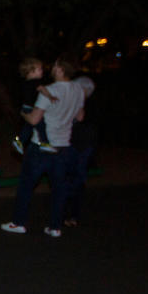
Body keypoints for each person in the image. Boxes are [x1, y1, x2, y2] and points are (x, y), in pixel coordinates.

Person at [0, 57, 86, 237]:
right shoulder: (79, 89)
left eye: (55, 66)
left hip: (41, 147)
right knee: (59, 188)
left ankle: (19, 222)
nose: (51, 68)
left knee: (25, 186)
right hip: (63, 146)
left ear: (61, 69)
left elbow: (34, 119)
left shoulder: (51, 90)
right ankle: (55, 227)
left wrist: (22, 112)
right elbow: (79, 117)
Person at [63, 74, 97, 226]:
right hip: (72, 145)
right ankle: (66, 214)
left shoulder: (86, 104)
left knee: (77, 180)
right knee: (68, 179)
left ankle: (73, 215)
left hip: (82, 147)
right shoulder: (73, 102)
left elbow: (82, 119)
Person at [11, 57, 54, 154]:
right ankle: (44, 143)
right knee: (41, 125)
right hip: (30, 109)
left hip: (26, 108)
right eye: (39, 69)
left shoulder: (24, 83)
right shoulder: (35, 82)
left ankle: (19, 141)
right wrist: (50, 97)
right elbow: (42, 89)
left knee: (28, 127)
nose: (42, 71)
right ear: (31, 72)